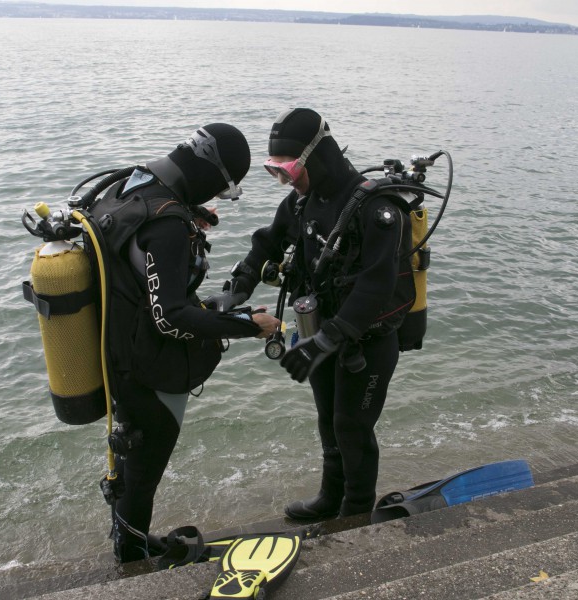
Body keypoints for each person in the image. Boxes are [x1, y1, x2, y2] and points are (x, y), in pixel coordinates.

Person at [220, 108, 416, 519]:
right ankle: (331, 497)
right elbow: (268, 242)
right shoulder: (303, 202)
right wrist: (239, 284)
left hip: (367, 339)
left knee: (351, 425)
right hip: (322, 332)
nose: (286, 181)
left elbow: (377, 285)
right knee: (328, 418)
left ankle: (357, 512)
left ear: (318, 156)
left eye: (289, 170)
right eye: (276, 171)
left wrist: (328, 339)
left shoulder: (377, 209)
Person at [98, 123, 281, 562]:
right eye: (221, 187)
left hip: (113, 348)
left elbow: (134, 265)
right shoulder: (167, 224)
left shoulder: (127, 185)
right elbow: (170, 318)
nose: (216, 196)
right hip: (145, 368)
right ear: (209, 171)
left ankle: (129, 541)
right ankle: (131, 557)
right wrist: (248, 324)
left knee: (130, 459)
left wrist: (188, 218)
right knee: (144, 470)